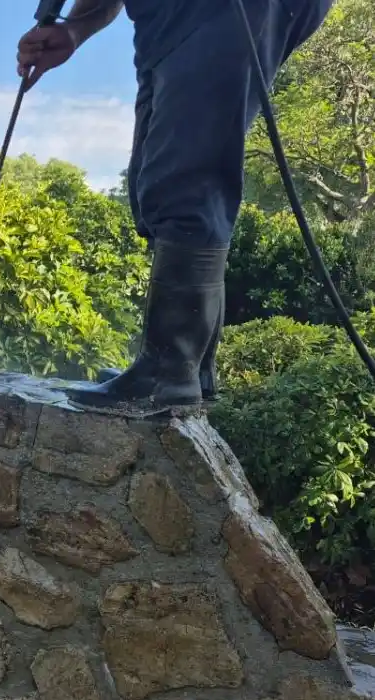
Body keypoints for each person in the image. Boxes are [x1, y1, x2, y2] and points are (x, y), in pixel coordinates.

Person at [17, 0, 334, 415]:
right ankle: (186, 366)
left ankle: (169, 373)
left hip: (225, 9)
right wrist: (73, 29)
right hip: (164, 24)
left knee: (185, 179)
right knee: (153, 187)